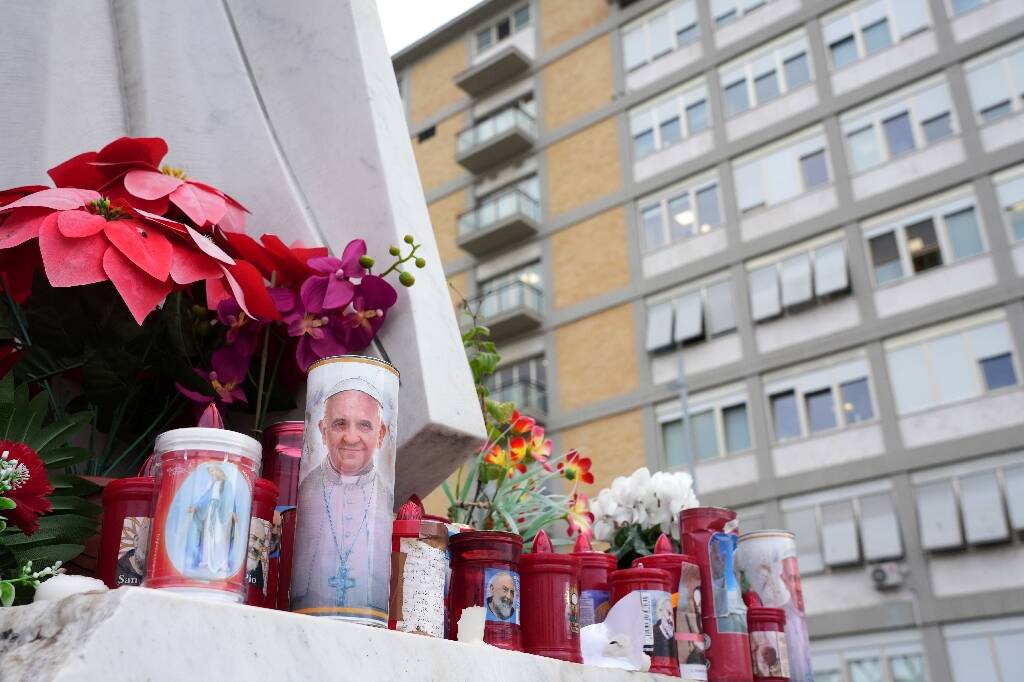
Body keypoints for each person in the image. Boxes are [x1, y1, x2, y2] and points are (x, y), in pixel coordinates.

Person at [291, 376, 394, 622]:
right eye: (340, 424)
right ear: (323, 431)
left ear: (380, 434)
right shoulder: (308, 490)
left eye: (364, 426)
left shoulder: (385, 495)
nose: (350, 437)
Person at [651, 595, 677, 661]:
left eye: (672, 614)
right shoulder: (652, 633)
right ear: (661, 611)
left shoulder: (675, 637)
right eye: (668, 613)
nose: (670, 618)